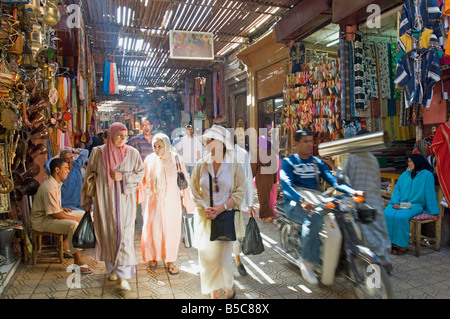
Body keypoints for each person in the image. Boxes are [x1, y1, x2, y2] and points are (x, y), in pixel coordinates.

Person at [280, 129, 363, 285]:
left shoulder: (317, 162)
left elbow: (334, 182)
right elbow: (286, 186)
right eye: (305, 141)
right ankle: (307, 262)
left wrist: (352, 191)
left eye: (311, 141)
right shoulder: (289, 162)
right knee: (314, 219)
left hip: (316, 199)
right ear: (296, 144)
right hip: (295, 201)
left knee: (343, 215)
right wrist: (301, 200)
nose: (310, 144)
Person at [82, 122, 145, 291]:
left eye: (125, 136)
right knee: (108, 234)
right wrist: (87, 200)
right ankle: (113, 269)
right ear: (111, 135)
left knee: (124, 235)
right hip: (104, 201)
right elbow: (89, 177)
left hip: (126, 203)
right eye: (119, 136)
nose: (123, 139)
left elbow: (140, 173)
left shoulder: (132, 153)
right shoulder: (97, 152)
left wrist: (123, 177)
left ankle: (124, 275)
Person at [323, 130, 392, 272]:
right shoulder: (372, 159)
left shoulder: (352, 159)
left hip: (360, 203)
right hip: (375, 202)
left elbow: (342, 181)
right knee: (379, 230)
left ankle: (373, 264)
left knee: (365, 233)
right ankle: (384, 259)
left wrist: (333, 167)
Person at [190, 124, 246, 299]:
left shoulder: (234, 165)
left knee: (222, 260)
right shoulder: (201, 165)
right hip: (205, 219)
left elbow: (239, 191)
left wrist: (222, 207)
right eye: (207, 141)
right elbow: (193, 190)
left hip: (226, 217)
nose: (208, 144)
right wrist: (203, 207)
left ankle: (229, 289)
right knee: (207, 258)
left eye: (212, 140)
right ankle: (214, 295)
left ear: (222, 143)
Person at [141, 133, 195, 275]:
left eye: (160, 146)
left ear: (166, 145)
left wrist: (186, 199)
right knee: (154, 229)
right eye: (154, 146)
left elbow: (185, 178)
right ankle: (153, 256)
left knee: (171, 230)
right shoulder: (149, 160)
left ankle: (170, 260)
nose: (157, 149)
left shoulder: (176, 158)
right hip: (154, 201)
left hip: (172, 200)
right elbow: (143, 180)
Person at [30, 158, 91, 273]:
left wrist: (61, 209)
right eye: (66, 168)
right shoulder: (49, 187)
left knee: (83, 215)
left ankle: (66, 246)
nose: (68, 171)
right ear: (57, 170)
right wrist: (73, 218)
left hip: (51, 215)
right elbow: (56, 214)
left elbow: (55, 209)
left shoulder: (55, 183)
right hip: (42, 221)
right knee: (73, 224)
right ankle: (77, 260)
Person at [383, 154, 440, 255]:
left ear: (417, 163)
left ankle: (402, 246)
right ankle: (390, 242)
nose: (408, 164)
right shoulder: (405, 175)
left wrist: (434, 212)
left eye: (410, 161)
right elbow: (397, 190)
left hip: (415, 205)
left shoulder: (427, 176)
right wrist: (395, 202)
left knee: (401, 217)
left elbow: (429, 194)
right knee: (387, 213)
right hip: (400, 204)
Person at [44, 147, 89, 211]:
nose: (70, 160)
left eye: (71, 158)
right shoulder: (59, 172)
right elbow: (47, 165)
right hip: (67, 206)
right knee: (83, 216)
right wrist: (58, 156)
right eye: (66, 159)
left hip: (80, 204)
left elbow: (85, 152)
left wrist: (72, 150)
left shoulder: (76, 166)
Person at [252, 136, 278, 222]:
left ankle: (266, 216)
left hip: (261, 178)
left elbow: (253, 167)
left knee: (262, 196)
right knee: (266, 196)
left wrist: (251, 177)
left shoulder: (257, 153)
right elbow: (275, 167)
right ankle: (266, 214)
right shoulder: (272, 153)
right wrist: (274, 179)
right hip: (270, 177)